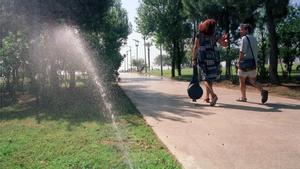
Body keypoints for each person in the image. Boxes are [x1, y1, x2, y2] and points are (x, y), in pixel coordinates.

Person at [192, 19, 228, 106]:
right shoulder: (215, 34)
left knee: (205, 78)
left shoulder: (199, 34)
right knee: (210, 77)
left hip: (203, 57)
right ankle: (207, 97)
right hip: (213, 57)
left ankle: (213, 95)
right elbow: (225, 45)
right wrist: (226, 39)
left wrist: (194, 58)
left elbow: (196, 47)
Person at [236, 23, 268, 103]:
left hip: (245, 63)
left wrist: (239, 62)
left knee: (242, 81)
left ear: (246, 30)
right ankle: (262, 91)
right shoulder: (254, 38)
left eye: (241, 29)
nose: (240, 31)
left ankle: (243, 97)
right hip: (253, 63)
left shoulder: (244, 38)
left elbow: (242, 52)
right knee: (253, 81)